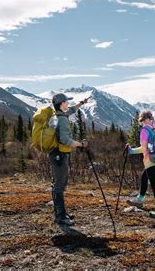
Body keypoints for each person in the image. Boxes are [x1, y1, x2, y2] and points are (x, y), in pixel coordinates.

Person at [50, 93, 89, 226]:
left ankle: (60, 213)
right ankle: (60, 217)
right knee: (60, 185)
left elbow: (72, 110)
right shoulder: (62, 119)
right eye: (67, 102)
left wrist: (81, 103)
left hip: (56, 154)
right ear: (61, 104)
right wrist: (81, 144)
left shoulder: (60, 115)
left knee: (58, 183)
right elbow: (65, 140)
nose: (68, 104)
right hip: (59, 155)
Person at [125, 110, 155, 220]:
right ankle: (140, 199)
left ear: (142, 119)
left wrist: (130, 151)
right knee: (144, 177)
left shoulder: (144, 130)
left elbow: (143, 148)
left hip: (150, 160)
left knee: (154, 184)